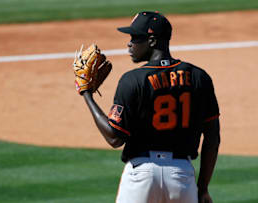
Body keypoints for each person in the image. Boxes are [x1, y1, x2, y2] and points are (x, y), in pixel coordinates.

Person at [81, 11, 220, 203]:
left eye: (136, 38)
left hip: (141, 176)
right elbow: (213, 139)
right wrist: (202, 189)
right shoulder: (199, 77)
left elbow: (114, 138)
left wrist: (86, 94)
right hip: (181, 177)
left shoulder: (132, 80)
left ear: (153, 41)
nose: (130, 44)